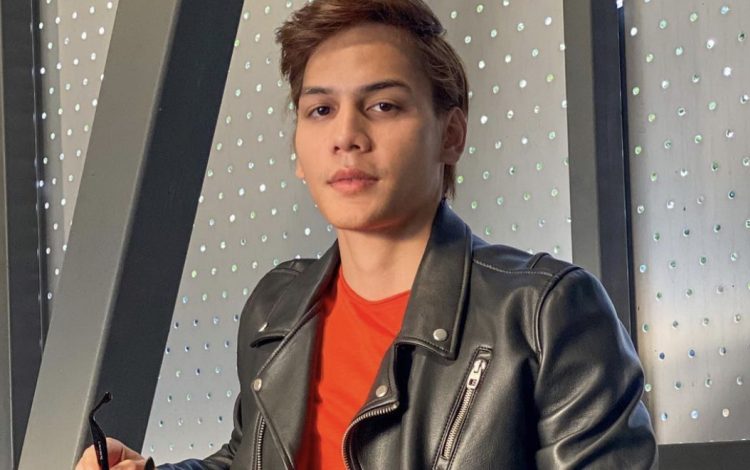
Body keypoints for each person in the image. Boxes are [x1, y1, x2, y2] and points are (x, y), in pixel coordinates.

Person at [76, 0, 657, 468]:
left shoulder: (545, 314)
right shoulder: (276, 310)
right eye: (320, 110)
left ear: (451, 134)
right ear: (299, 150)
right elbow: (247, 457)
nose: (346, 135)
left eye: (382, 105)